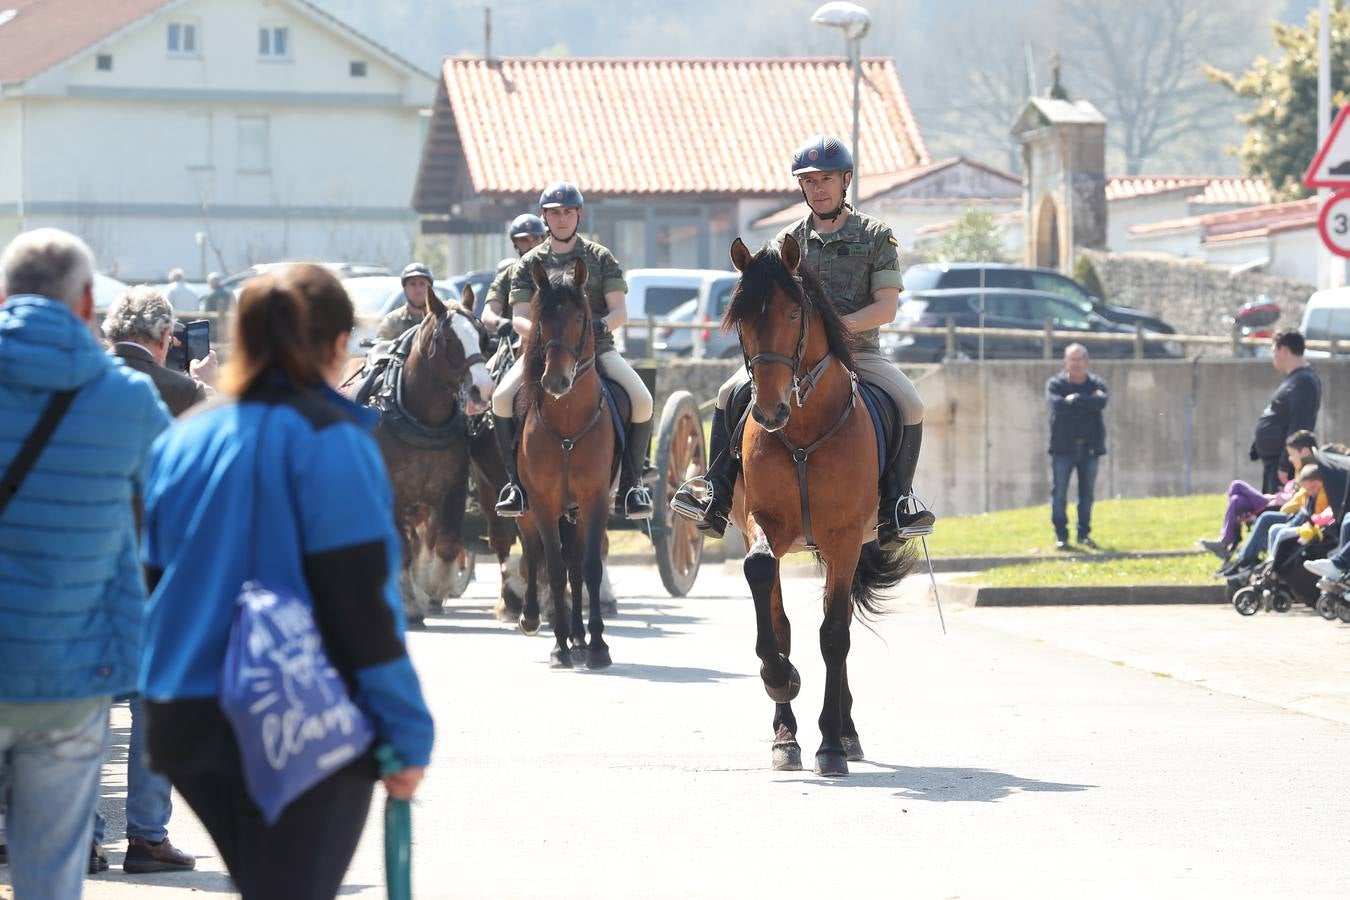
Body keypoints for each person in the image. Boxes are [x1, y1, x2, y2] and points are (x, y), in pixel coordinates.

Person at [139, 264, 433, 900]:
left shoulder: (183, 440)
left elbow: (153, 582)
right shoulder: (337, 443)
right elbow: (359, 603)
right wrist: (407, 731)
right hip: (299, 715)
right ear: (333, 346)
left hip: (183, 715)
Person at [0, 228, 171, 899]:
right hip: (73, 672)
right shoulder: (127, 399)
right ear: (88, 301)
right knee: (51, 875)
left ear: (5, 295)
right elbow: (179, 505)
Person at [671, 135, 933, 549]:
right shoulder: (785, 241)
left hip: (857, 353)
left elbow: (886, 307)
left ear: (846, 180)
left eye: (826, 179)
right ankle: (717, 494)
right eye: (809, 181)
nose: (818, 188)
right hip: (790, 359)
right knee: (727, 393)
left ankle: (898, 506)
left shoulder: (875, 236)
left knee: (911, 403)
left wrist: (834, 328)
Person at [495, 181, 655, 520]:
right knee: (500, 399)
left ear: (578, 215)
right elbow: (519, 318)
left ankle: (631, 485)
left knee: (642, 400)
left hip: (597, 350)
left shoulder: (599, 257)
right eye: (555, 213)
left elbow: (620, 312)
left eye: (568, 212)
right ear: (545, 218)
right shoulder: (529, 263)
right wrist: (541, 336)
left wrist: (596, 328)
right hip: (543, 354)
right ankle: (515, 485)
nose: (562, 219)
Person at [106, 285, 210, 417]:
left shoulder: (81, 375)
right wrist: (206, 387)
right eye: (170, 339)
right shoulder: (187, 391)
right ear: (164, 333)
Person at [1046, 343, 1108, 550]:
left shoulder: (1096, 383)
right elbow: (1058, 405)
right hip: (1063, 449)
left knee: (1087, 494)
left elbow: (1102, 402)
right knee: (1060, 493)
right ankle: (1061, 536)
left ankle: (1084, 534)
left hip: (1089, 448)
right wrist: (1088, 403)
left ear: (1087, 361)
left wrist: (1076, 400)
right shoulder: (1055, 384)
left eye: (1080, 359)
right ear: (1066, 362)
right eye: (1072, 359)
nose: (1076, 364)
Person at [1250, 328, 1320, 492]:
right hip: (1273, 462)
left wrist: (1285, 464)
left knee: (1277, 514)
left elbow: (1300, 424)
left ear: (1285, 350)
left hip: (1282, 465)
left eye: (1274, 351)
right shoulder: (1294, 379)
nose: (1273, 356)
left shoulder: (1304, 382)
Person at [482, 214, 547, 335]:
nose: (531, 245)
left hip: (553, 340)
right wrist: (499, 323)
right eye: (524, 240)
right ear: (515, 243)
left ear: (543, 239)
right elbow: (488, 313)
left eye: (535, 239)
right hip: (515, 341)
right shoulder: (507, 275)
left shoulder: (556, 269)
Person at [375, 262, 435, 341]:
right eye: (413, 284)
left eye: (422, 284)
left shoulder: (438, 319)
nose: (418, 289)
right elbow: (379, 348)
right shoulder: (393, 321)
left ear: (430, 287)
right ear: (405, 288)